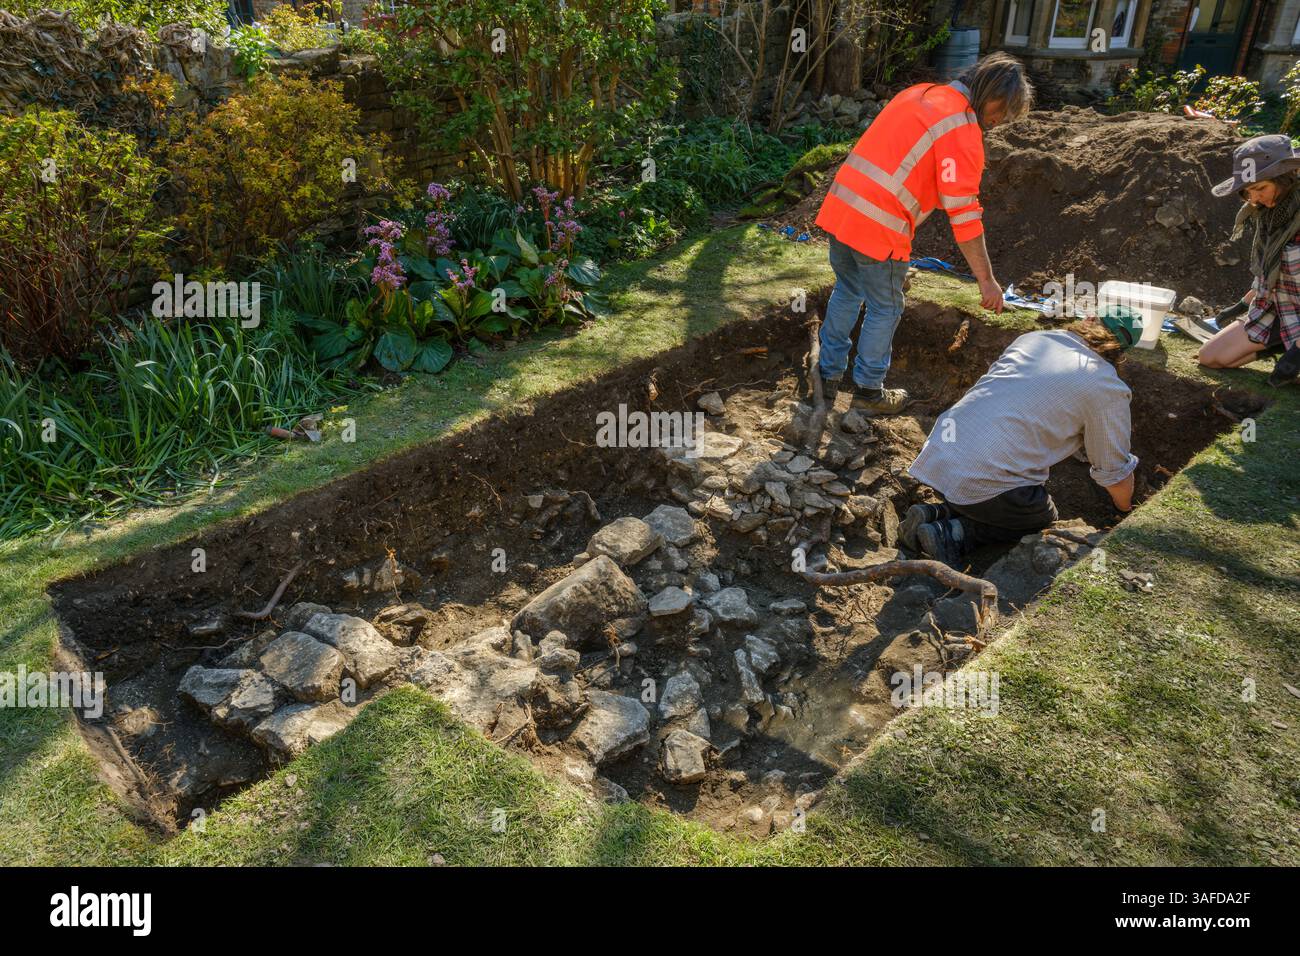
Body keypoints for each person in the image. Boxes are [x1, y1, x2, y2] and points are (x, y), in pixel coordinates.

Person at [813, 52, 1033, 414]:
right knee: (886, 307)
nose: (997, 121)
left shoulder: (921, 93)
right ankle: (869, 392)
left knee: (849, 289)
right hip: (879, 225)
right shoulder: (961, 127)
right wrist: (987, 281)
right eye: (1001, 111)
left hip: (841, 208)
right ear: (990, 91)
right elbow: (963, 216)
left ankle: (826, 376)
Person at [901, 312, 1140, 567]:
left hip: (939, 455)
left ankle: (934, 513)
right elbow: (1114, 472)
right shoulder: (1106, 387)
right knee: (1038, 517)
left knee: (987, 483)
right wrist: (1124, 510)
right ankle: (950, 534)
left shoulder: (1035, 339)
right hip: (981, 477)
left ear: (1090, 320)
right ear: (1121, 352)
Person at [1198, 134, 1300, 386]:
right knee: (1211, 357)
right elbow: (1274, 273)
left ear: (1285, 178)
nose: (1254, 199)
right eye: (1248, 191)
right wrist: (1242, 304)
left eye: (1260, 188)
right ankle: (1279, 347)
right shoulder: (1272, 216)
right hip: (1281, 309)